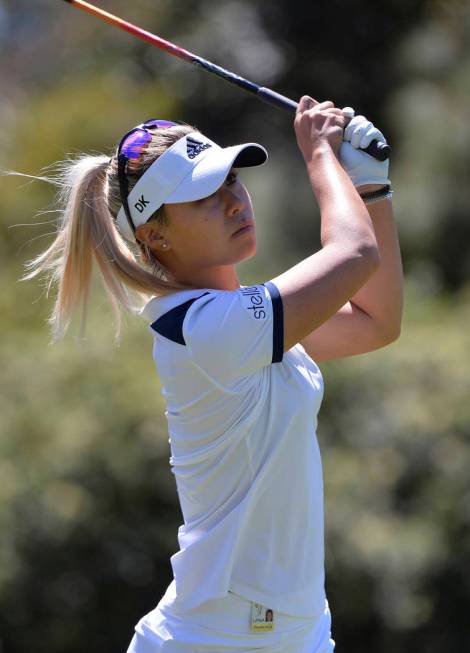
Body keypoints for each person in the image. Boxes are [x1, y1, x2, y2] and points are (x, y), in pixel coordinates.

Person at [24, 96, 403, 652]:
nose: (233, 201)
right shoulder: (206, 330)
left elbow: (377, 321)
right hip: (213, 639)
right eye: (203, 196)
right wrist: (321, 154)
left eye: (231, 181)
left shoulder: (242, 318)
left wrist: (372, 191)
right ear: (156, 236)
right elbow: (354, 253)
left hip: (299, 633)